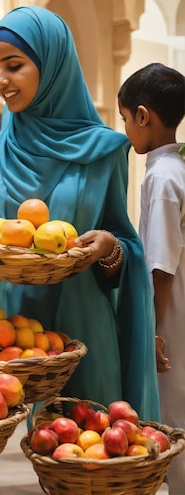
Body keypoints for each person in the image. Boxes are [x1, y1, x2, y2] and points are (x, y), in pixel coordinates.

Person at [0, 5, 160, 422]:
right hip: (19, 340)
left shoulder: (105, 151)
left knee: (96, 450)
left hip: (85, 327)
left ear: (52, 66)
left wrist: (109, 248)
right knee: (47, 454)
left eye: (13, 66)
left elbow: (124, 246)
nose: (1, 81)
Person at [118, 63, 185, 493]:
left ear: (144, 116)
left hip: (171, 322)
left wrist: (154, 330)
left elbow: (161, 268)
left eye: (125, 120)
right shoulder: (177, 166)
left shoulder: (161, 176)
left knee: (173, 422)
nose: (125, 130)